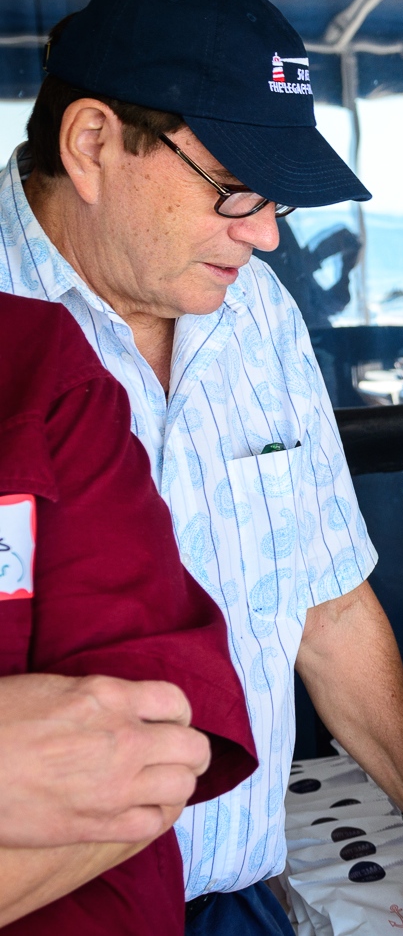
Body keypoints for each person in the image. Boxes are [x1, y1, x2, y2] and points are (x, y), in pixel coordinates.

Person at [0, 0, 403, 936]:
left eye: (279, 203)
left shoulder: (258, 316)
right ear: (92, 143)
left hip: (245, 897)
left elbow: (325, 604)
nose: (261, 235)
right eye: (237, 187)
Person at [0, 291, 257, 933]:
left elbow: (151, 753)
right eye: (224, 189)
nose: (266, 234)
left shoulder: (30, 358)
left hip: (231, 889)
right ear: (87, 178)